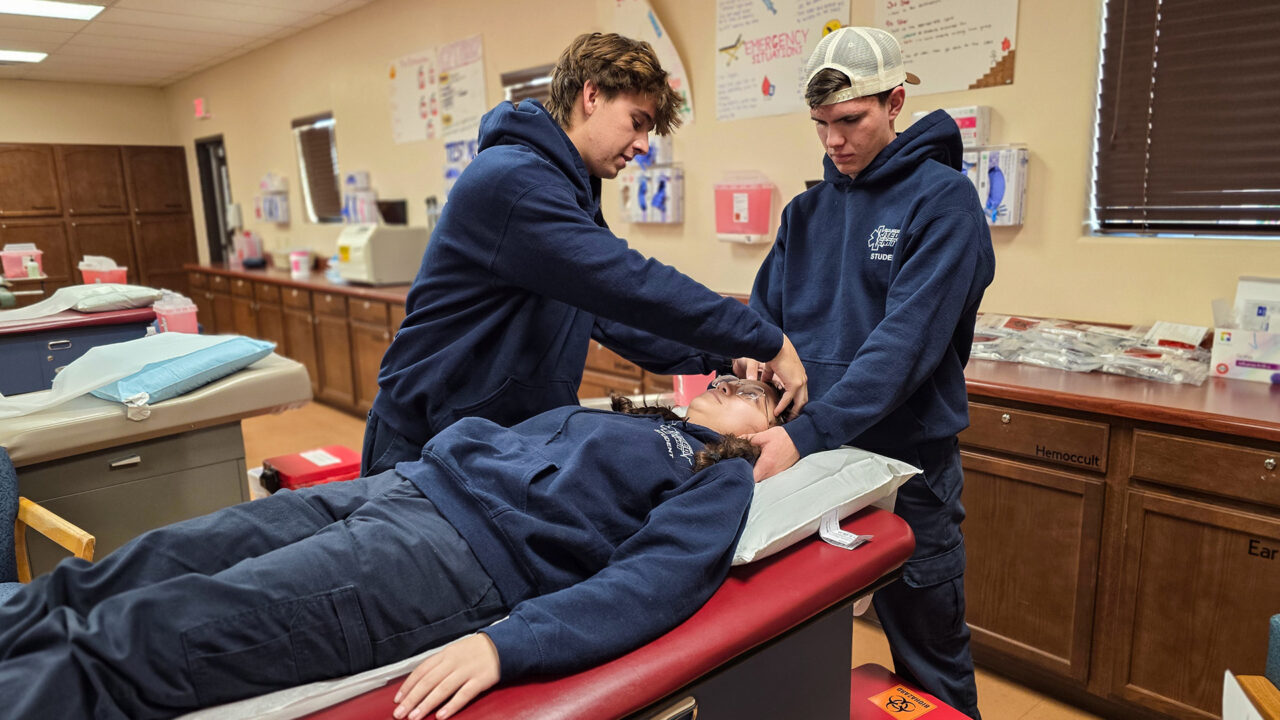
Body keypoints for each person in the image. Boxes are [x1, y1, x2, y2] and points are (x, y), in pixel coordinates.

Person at [0, 376, 784, 720]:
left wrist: (509, 645)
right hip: (402, 487)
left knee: (147, 636)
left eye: (753, 393)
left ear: (772, 433)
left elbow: (653, 584)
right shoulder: (643, 420)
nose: (729, 383)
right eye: (724, 376)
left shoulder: (718, 478)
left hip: (448, 560)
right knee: (145, 561)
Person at [365, 32, 806, 475]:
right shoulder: (514, 183)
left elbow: (614, 317)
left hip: (493, 442)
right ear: (591, 95)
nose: (643, 146)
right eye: (636, 122)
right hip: (424, 438)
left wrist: (726, 358)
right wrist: (762, 338)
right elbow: (630, 285)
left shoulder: (569, 195)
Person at [736, 27, 995, 719]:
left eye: (849, 121)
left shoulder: (944, 203)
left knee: (928, 649)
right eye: (821, 125)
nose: (833, 141)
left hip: (905, 465)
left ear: (895, 101)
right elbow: (766, 323)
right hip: (813, 461)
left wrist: (806, 430)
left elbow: (902, 349)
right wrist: (752, 375)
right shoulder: (806, 212)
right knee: (793, 635)